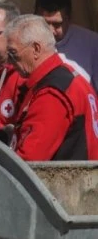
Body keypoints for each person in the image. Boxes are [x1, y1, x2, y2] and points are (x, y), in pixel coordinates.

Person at [5, 14, 98, 161]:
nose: (9, 61)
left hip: (68, 182)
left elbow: (29, 162)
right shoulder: (70, 76)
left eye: (13, 54)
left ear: (36, 49)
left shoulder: (51, 94)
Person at [34, 0, 98, 91]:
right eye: (44, 23)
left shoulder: (92, 44)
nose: (50, 31)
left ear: (69, 19)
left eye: (57, 24)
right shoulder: (25, 42)